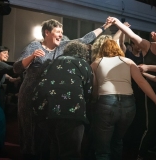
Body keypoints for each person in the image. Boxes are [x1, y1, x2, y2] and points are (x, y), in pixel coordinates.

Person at [13, 19, 111, 159]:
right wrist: (32, 56)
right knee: (30, 130)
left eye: (62, 32)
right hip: (30, 93)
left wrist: (104, 27)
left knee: (46, 132)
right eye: (58, 32)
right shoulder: (35, 46)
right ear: (47, 32)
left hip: (49, 95)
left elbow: (84, 39)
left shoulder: (62, 47)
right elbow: (16, 68)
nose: (61, 35)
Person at [107, 17, 156, 160]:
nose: (155, 35)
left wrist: (148, 67)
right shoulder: (147, 45)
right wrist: (117, 22)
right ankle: (141, 154)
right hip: (149, 89)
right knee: (151, 125)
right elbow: (131, 35)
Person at [90, 39, 156, 160]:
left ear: (102, 49)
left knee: (103, 148)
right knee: (118, 141)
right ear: (118, 49)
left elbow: (94, 87)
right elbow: (142, 82)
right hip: (128, 104)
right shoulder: (128, 62)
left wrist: (94, 101)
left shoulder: (96, 62)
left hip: (106, 102)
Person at [31, 41, 93, 160]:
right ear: (83, 53)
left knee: (55, 145)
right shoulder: (83, 63)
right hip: (70, 111)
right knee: (70, 152)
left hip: (44, 110)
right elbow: (88, 90)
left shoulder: (52, 62)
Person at [0, 46, 16, 152]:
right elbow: (14, 68)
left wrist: (16, 79)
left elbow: (9, 77)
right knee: (0, 120)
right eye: (4, 53)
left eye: (7, 53)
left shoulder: (0, 66)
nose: (7, 55)